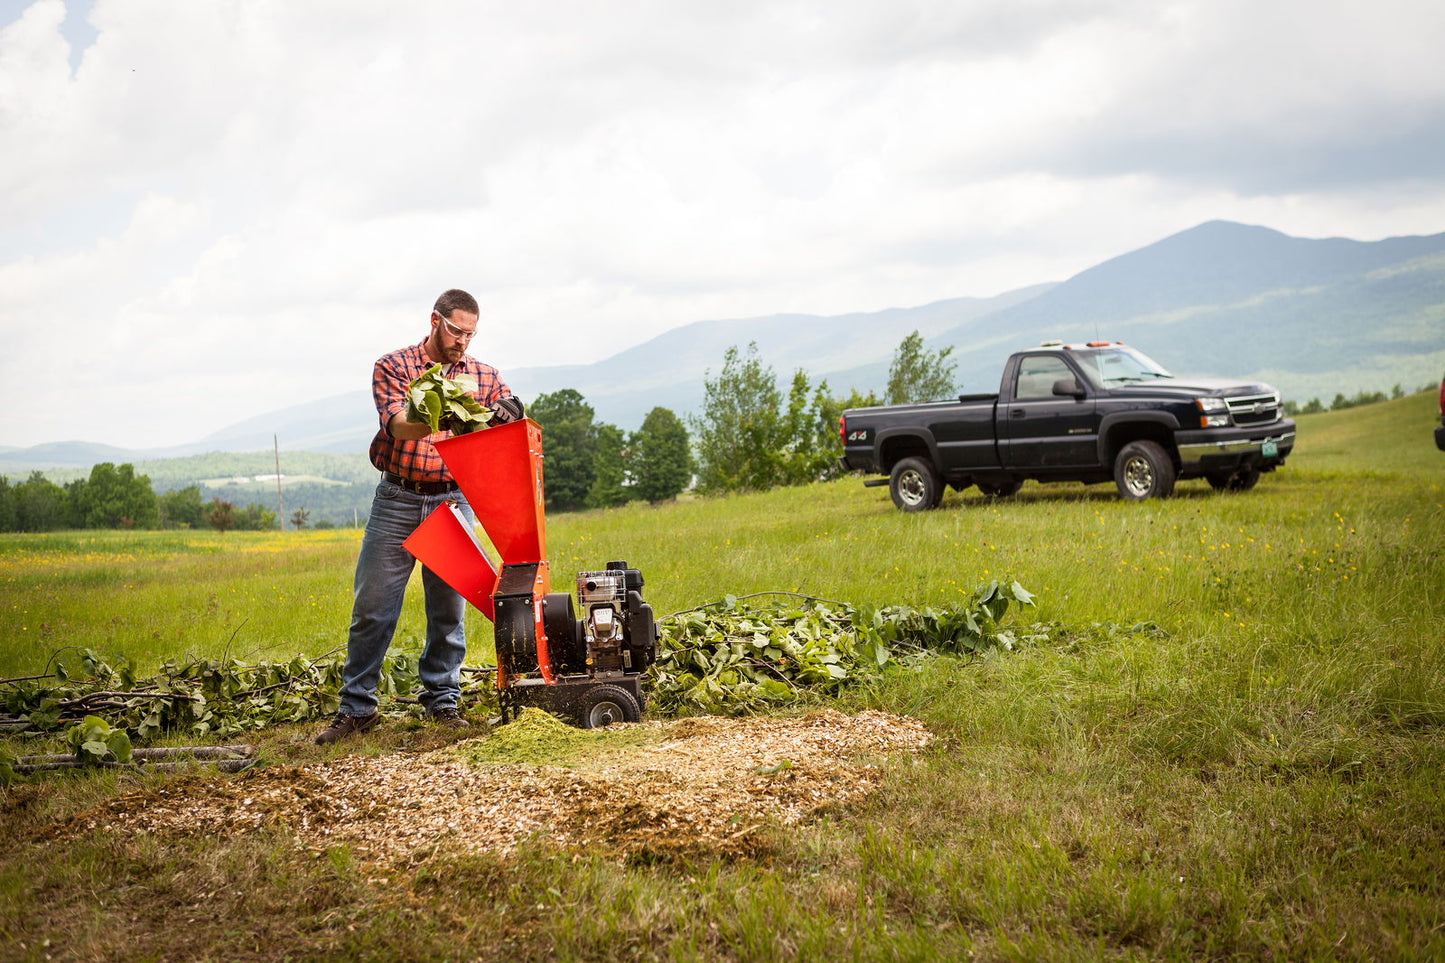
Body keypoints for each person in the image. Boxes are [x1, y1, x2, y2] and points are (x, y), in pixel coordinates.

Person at [316, 289, 524, 745]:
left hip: (454, 499)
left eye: (470, 334)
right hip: (398, 498)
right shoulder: (394, 365)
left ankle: (442, 701)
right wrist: (447, 416)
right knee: (373, 606)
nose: (462, 342)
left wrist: (510, 411)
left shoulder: (484, 374)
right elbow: (397, 425)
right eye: (455, 331)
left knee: (448, 609)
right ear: (434, 321)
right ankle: (357, 707)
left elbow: (507, 411)